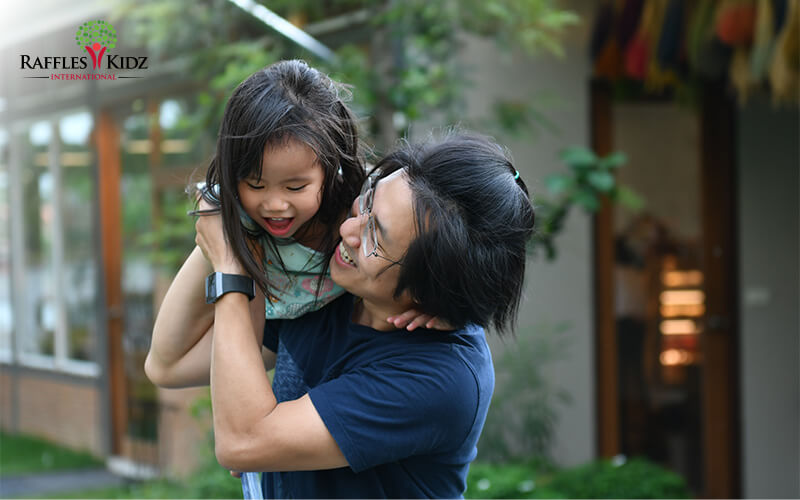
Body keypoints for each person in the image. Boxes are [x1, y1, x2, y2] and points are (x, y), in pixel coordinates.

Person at [191, 132, 536, 498]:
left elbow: (241, 442)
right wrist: (232, 224)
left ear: (429, 291)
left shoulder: (442, 377)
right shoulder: (334, 291)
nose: (348, 230)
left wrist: (229, 266)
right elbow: (168, 364)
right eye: (368, 201)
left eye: (376, 237)